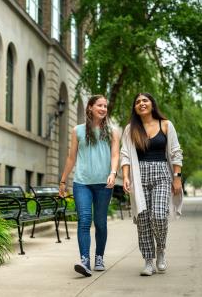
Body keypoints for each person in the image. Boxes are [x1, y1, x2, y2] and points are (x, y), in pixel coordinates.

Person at [120, 92, 183, 276]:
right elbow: (125, 154)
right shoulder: (130, 129)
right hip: (139, 176)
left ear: (152, 104)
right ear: (135, 108)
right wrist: (125, 177)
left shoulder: (166, 125)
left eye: (145, 100)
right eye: (137, 102)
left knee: (158, 216)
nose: (141, 104)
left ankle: (161, 250)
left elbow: (175, 151)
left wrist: (177, 176)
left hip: (162, 174)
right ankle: (148, 261)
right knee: (143, 220)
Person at [59, 95, 120, 277]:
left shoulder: (112, 131)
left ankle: (99, 257)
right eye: (100, 105)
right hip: (82, 183)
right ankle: (84, 260)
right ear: (90, 108)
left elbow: (115, 155)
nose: (103, 109)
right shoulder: (77, 130)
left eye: (105, 106)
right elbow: (71, 158)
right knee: (84, 220)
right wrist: (63, 181)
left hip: (104, 184)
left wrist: (113, 173)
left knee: (100, 223)